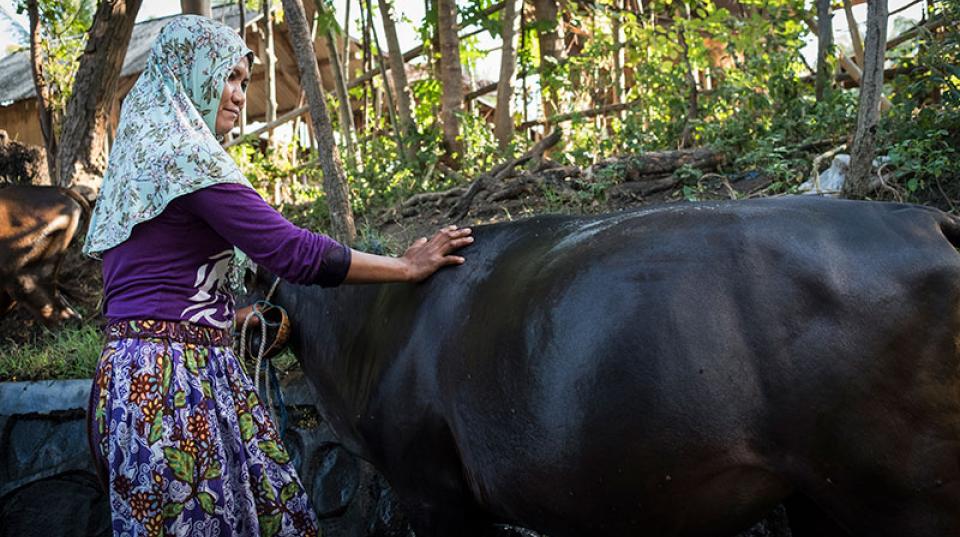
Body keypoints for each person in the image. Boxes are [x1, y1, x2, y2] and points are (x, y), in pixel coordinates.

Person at [83, 15, 472, 537]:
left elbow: (146, 287)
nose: (240, 94)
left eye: (245, 80)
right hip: (177, 383)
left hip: (128, 380)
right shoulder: (187, 161)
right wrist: (405, 268)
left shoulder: (136, 170)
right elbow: (291, 251)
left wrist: (225, 313)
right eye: (228, 76)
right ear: (189, 74)